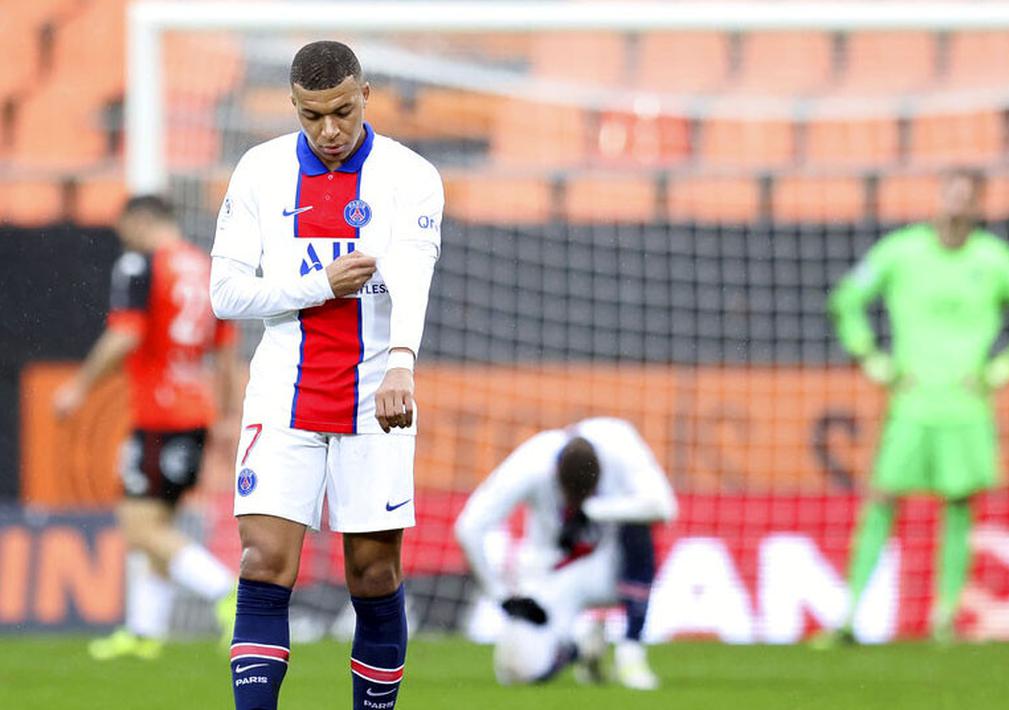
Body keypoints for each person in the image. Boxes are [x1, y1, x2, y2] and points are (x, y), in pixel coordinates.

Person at [208, 41, 442, 710]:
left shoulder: (409, 175)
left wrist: (402, 364)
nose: (330, 130)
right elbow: (225, 294)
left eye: (342, 111)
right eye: (313, 116)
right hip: (284, 389)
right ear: (294, 107)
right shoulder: (259, 171)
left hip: (376, 395)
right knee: (263, 564)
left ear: (366, 95)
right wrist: (317, 285)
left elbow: (413, 281)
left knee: (372, 573)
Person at [825, 169, 1009, 643]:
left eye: (965, 197)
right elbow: (847, 298)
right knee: (882, 501)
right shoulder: (901, 251)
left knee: (958, 507)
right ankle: (849, 617)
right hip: (911, 403)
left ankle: (945, 619)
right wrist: (872, 359)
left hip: (966, 407)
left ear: (978, 206)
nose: (955, 205)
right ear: (936, 198)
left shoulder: (993, 260)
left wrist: (1003, 368)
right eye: (948, 194)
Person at [54, 195, 241, 660]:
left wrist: (79, 387)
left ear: (140, 223)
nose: (125, 242)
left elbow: (126, 333)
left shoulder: (141, 265)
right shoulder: (202, 266)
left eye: (125, 231)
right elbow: (226, 352)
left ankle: (230, 593)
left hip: (160, 413)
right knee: (160, 523)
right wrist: (228, 414)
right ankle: (144, 631)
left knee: (138, 528)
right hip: (195, 410)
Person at [454, 417, 677, 690]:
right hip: (552, 572)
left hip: (609, 568)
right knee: (519, 672)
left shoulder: (619, 443)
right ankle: (582, 647)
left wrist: (593, 510)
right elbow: (469, 527)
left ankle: (631, 652)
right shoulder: (532, 463)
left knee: (639, 528)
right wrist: (502, 597)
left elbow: (664, 507)